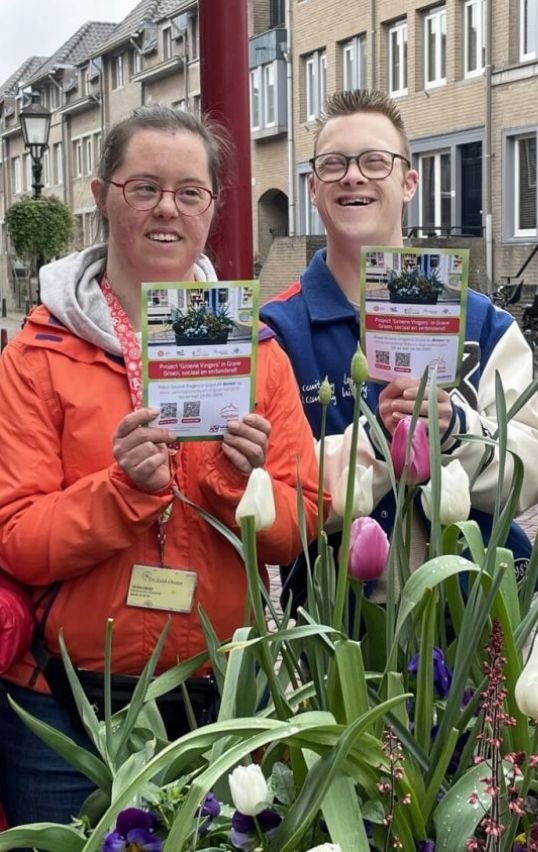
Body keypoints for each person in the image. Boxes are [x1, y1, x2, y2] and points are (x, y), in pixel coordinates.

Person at [0, 104, 321, 827]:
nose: (165, 210)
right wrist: (120, 493)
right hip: (66, 706)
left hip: (217, 698)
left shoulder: (258, 354)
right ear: (102, 195)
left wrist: (247, 488)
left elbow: (300, 525)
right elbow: (15, 535)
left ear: (213, 205)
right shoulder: (34, 359)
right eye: (143, 187)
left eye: (189, 192)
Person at [260, 89, 538, 605]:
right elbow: (278, 490)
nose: (353, 175)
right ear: (313, 188)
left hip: (474, 624)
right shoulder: (277, 332)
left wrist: (456, 431)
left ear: (408, 181)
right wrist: (387, 440)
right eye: (334, 164)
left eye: (375, 161)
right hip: (339, 637)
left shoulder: (484, 321)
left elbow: (533, 465)